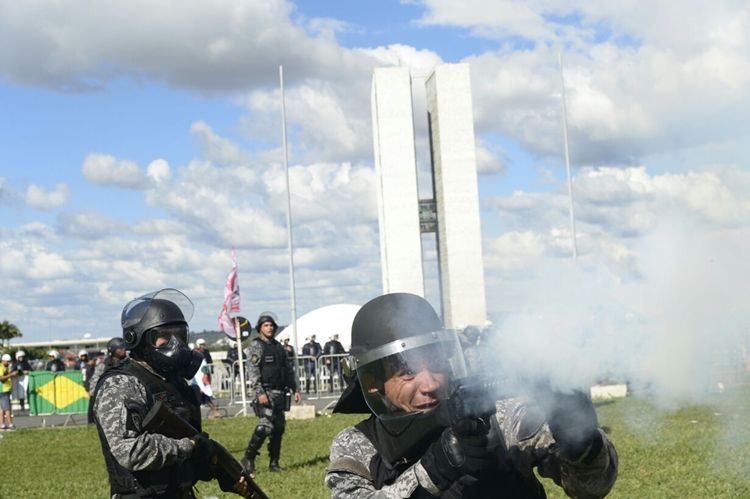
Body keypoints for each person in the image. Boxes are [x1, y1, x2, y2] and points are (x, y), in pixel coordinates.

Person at [326, 293, 618, 498]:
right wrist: (434, 469)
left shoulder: (501, 418)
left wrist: (582, 444)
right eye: (407, 372)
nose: (429, 383)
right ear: (374, 382)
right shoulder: (358, 445)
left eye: (436, 364)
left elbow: (591, 487)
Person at [90, 288, 248, 497]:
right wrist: (189, 446)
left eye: (179, 335)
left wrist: (222, 470)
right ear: (138, 338)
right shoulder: (120, 384)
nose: (175, 343)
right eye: (163, 336)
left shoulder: (174, 382)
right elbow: (131, 451)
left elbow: (192, 443)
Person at [241, 312, 301, 478]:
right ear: (260, 328)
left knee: (279, 428)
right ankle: (248, 458)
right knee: (265, 426)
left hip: (280, 392)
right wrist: (259, 392)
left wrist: (295, 388)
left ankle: (274, 463)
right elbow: (253, 371)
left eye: (272, 325)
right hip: (265, 392)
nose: (270, 328)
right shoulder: (256, 346)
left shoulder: (278, 347)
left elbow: (288, 370)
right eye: (266, 325)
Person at [0, 353, 19, 430]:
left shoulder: (5, 367)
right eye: (7, 361)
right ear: (3, 360)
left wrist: (13, 374)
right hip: (3, 390)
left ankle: (2, 424)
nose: (8, 363)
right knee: (7, 408)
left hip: (5, 390)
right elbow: (1, 378)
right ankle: (10, 424)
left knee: (2, 409)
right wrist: (11, 375)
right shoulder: (1, 367)